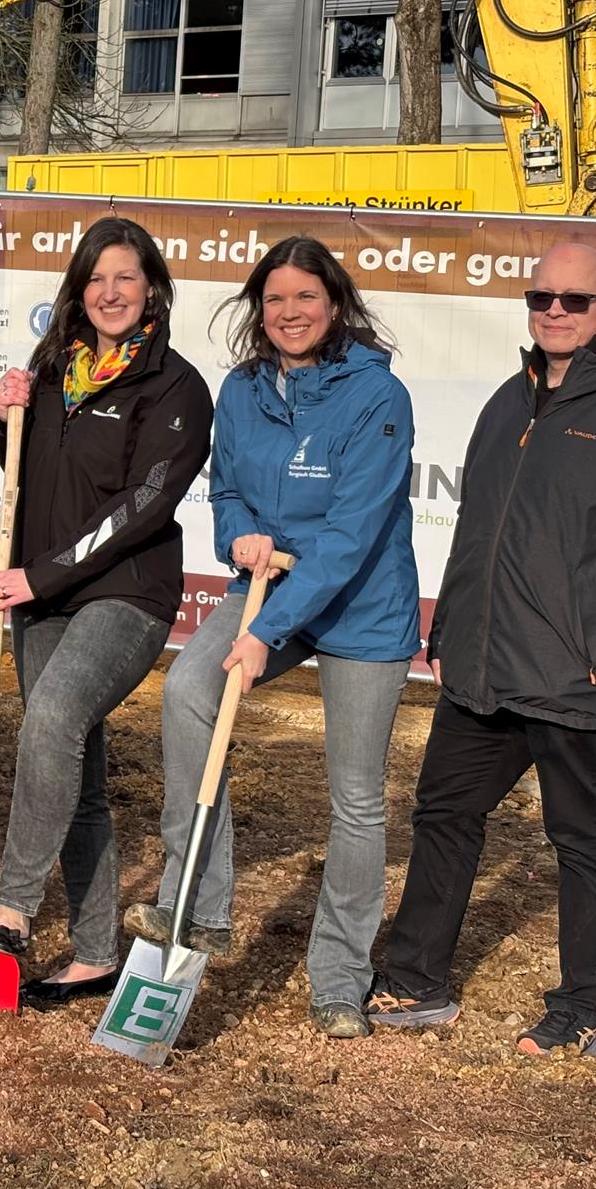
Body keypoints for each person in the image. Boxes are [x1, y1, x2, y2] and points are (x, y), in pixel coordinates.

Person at [369, 241, 596, 1057]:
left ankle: (582, 1007)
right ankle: (417, 981)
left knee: (584, 839)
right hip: (485, 668)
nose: (555, 312)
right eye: (542, 298)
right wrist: (451, 629)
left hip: (580, 678)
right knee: (445, 813)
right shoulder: (514, 398)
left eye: (575, 300)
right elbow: (480, 532)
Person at [123, 234, 421, 1040]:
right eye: (276, 299)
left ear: (336, 304)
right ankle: (199, 905)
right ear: (259, 309)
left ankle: (339, 979)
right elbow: (226, 490)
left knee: (356, 799)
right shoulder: (245, 389)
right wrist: (240, 537)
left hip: (361, 606)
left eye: (306, 297)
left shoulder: (378, 397)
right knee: (190, 690)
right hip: (272, 586)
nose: (291, 313)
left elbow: (352, 536)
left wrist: (266, 631)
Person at [0, 218, 213, 1009]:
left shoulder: (175, 387)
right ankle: (93, 954)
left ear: (152, 288)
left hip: (125, 591)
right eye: (96, 279)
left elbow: (144, 505)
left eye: (126, 277)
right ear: (78, 291)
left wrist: (39, 575)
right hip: (43, 592)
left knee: (51, 716)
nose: (110, 293)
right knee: (74, 769)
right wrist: (4, 418)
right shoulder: (54, 368)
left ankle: (12, 907)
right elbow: (24, 472)